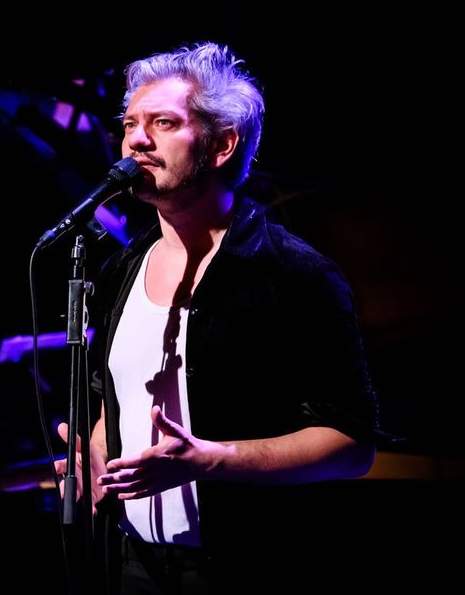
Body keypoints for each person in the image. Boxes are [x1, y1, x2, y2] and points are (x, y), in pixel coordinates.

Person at [56, 43, 381, 593]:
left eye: (162, 123)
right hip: (132, 564)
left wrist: (212, 459)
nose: (136, 140)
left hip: (246, 565)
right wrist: (94, 454)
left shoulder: (294, 274)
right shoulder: (118, 271)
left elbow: (353, 445)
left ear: (222, 144)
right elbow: (115, 399)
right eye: (130, 124)